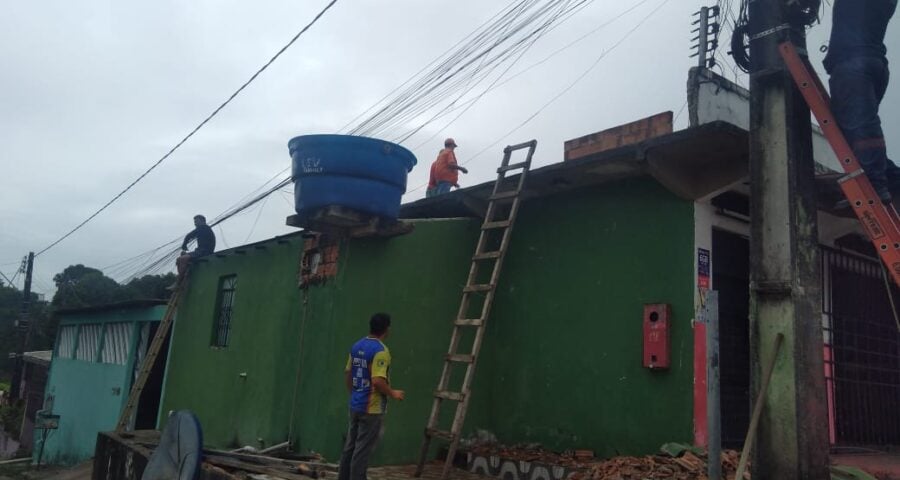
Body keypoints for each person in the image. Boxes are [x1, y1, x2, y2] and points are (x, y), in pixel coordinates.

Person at [826, 0, 898, 206]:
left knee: (861, 129)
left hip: (854, 65)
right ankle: (891, 177)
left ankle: (874, 186)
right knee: (852, 132)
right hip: (871, 63)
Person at [338, 313, 404, 480]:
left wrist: (353, 393)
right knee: (362, 451)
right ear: (386, 329)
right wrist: (393, 393)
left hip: (355, 405)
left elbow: (348, 372)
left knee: (350, 447)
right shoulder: (381, 351)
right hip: (371, 408)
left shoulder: (356, 346)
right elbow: (377, 381)